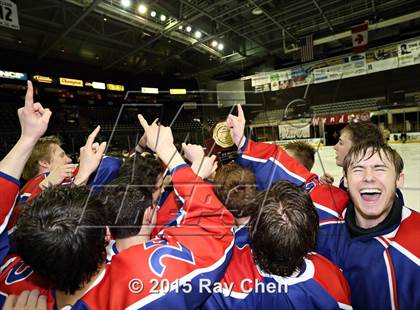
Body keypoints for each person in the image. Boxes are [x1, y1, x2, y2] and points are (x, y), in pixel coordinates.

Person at [0, 112, 235, 309]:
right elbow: (216, 228)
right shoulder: (140, 284)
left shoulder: (13, 289)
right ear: (105, 234)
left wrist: (31, 141)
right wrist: (169, 152)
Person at [227, 104, 420, 310]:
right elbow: (293, 175)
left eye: (379, 169)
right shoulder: (328, 205)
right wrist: (243, 142)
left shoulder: (413, 248)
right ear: (345, 179)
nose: (368, 178)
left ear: (399, 179)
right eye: (358, 169)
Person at [202, 162, 351, 309]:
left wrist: (200, 177)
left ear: (252, 232)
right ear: (311, 235)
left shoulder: (229, 285)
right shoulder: (332, 275)